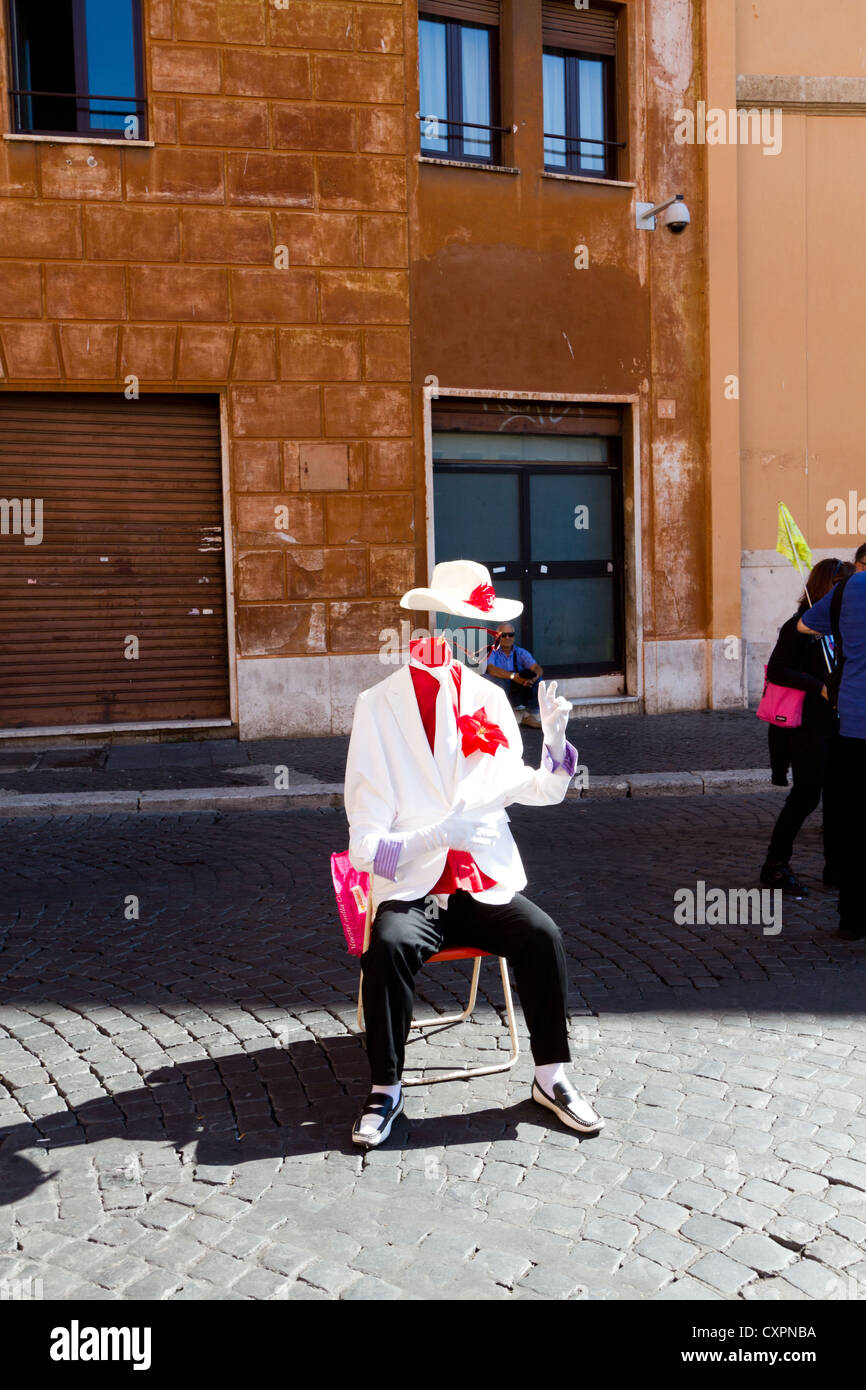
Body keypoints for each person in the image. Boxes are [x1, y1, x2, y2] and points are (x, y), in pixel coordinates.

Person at [344, 559, 604, 1147]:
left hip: (481, 883)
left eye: (485, 627)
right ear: (437, 623)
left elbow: (532, 791)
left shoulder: (488, 697)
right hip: (413, 888)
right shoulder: (377, 707)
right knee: (386, 948)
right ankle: (385, 1088)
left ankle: (551, 1077)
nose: (486, 638)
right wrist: (436, 836)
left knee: (542, 935)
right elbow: (365, 850)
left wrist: (558, 751)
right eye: (472, 624)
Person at [760, 559, 852, 896]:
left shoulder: (841, 625)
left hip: (839, 724)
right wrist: (819, 686)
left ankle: (836, 867)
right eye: (839, 584)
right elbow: (778, 671)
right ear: (825, 586)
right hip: (805, 726)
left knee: (839, 797)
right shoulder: (797, 626)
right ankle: (775, 866)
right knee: (806, 795)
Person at [798, 563, 866, 940]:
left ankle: (853, 917)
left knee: (854, 824)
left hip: (854, 723)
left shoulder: (847, 591)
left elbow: (805, 625)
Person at [485, 624, 545, 727]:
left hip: (516, 690)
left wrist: (532, 679)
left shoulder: (520, 652)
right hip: (500, 689)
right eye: (503, 635)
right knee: (500, 680)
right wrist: (513, 676)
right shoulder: (491, 651)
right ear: (497, 637)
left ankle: (529, 716)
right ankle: (498, 717)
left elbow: (537, 668)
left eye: (510, 635)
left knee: (538, 679)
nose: (507, 638)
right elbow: (491, 669)